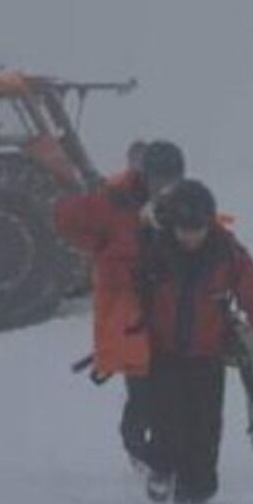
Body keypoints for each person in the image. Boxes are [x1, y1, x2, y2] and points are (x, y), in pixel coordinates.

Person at [132, 179, 253, 504]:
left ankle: (195, 493)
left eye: (198, 228)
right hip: (160, 357)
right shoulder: (150, 251)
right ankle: (159, 468)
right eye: (184, 229)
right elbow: (119, 296)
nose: (191, 236)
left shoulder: (228, 255)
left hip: (207, 358)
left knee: (204, 440)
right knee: (168, 426)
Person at [54, 140, 187, 473]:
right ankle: (135, 441)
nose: (166, 187)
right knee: (142, 387)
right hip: (127, 312)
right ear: (146, 176)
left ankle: (162, 457)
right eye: (160, 179)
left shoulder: (186, 205)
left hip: (170, 311)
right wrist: (97, 243)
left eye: (173, 179)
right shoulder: (113, 201)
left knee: (172, 386)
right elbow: (65, 217)